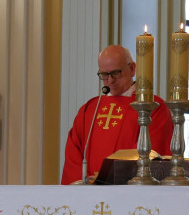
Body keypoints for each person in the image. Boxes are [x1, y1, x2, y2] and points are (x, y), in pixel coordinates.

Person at [61, 44, 173, 185]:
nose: (110, 80)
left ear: (132, 69)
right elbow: (73, 154)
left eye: (115, 73)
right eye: (104, 75)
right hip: (88, 194)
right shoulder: (89, 109)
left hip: (129, 193)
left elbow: (155, 154)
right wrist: (84, 184)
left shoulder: (152, 106)